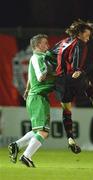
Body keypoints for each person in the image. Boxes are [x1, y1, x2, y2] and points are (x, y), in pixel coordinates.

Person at [51, 19, 93, 154]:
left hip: (60, 81)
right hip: (73, 77)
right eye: (87, 35)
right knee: (86, 81)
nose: (88, 38)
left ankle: (70, 138)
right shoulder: (80, 43)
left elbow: (50, 54)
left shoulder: (62, 43)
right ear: (79, 33)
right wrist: (77, 68)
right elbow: (78, 53)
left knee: (67, 111)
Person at [8, 34, 57, 167]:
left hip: (36, 96)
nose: (48, 45)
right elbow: (41, 77)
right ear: (37, 45)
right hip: (38, 96)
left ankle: (16, 145)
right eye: (45, 43)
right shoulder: (39, 57)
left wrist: (27, 89)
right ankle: (26, 156)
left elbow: (31, 77)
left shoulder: (34, 58)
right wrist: (52, 71)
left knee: (37, 131)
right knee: (43, 132)